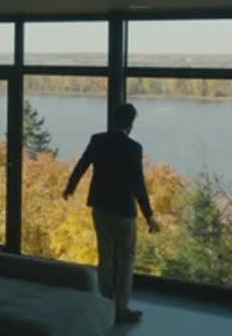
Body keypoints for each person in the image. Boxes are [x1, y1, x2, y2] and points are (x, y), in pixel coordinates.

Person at [63, 102, 160, 323]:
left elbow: (82, 165)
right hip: (124, 211)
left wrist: (70, 187)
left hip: (100, 207)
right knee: (126, 260)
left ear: (113, 120)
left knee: (105, 257)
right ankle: (121, 308)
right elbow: (138, 183)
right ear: (131, 124)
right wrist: (149, 216)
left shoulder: (98, 140)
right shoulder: (134, 148)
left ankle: (105, 304)